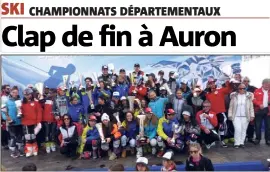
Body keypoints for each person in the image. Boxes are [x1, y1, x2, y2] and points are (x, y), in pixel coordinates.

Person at [206, 78, 232, 148]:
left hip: (220, 112)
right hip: (212, 113)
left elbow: (228, 89)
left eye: (213, 83)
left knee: (222, 127)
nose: (212, 84)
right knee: (213, 127)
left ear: (215, 83)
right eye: (210, 83)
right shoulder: (207, 94)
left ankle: (222, 140)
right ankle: (213, 140)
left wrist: (228, 82)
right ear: (208, 84)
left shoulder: (220, 90)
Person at [228, 84, 255, 148]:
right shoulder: (234, 96)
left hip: (246, 116)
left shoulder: (248, 96)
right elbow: (231, 107)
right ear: (238, 89)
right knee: (238, 129)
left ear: (246, 89)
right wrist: (230, 115)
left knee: (244, 129)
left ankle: (241, 143)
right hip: (236, 116)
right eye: (240, 88)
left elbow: (251, 107)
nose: (242, 90)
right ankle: (237, 143)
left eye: (244, 88)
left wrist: (252, 115)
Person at [1, 87, 24, 158]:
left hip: (19, 122)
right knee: (13, 137)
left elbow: (23, 110)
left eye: (16, 92)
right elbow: (3, 112)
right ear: (11, 93)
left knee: (19, 137)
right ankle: (14, 152)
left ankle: (19, 150)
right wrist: (7, 119)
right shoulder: (7, 101)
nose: (15, 94)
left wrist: (22, 115)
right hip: (11, 123)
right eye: (13, 92)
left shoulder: (20, 101)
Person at [21, 88, 43, 157]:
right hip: (26, 122)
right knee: (27, 137)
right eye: (26, 95)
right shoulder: (22, 103)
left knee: (33, 136)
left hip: (34, 122)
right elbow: (19, 112)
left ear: (31, 94)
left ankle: (35, 149)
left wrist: (38, 121)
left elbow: (39, 112)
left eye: (28, 94)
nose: (27, 96)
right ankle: (28, 150)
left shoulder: (36, 102)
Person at [253, 78, 270, 145]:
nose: (267, 87)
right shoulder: (257, 91)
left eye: (269, 85)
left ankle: (268, 140)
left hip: (268, 110)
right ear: (262, 84)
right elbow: (253, 100)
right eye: (266, 85)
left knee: (268, 126)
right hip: (259, 110)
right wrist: (259, 104)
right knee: (258, 126)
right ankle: (257, 139)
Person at [242, 76, 257, 143]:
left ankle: (250, 137)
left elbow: (259, 92)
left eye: (247, 81)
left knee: (251, 123)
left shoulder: (253, 88)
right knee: (243, 123)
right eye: (245, 81)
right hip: (241, 108)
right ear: (242, 81)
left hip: (250, 108)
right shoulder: (239, 88)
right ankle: (243, 137)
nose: (246, 82)